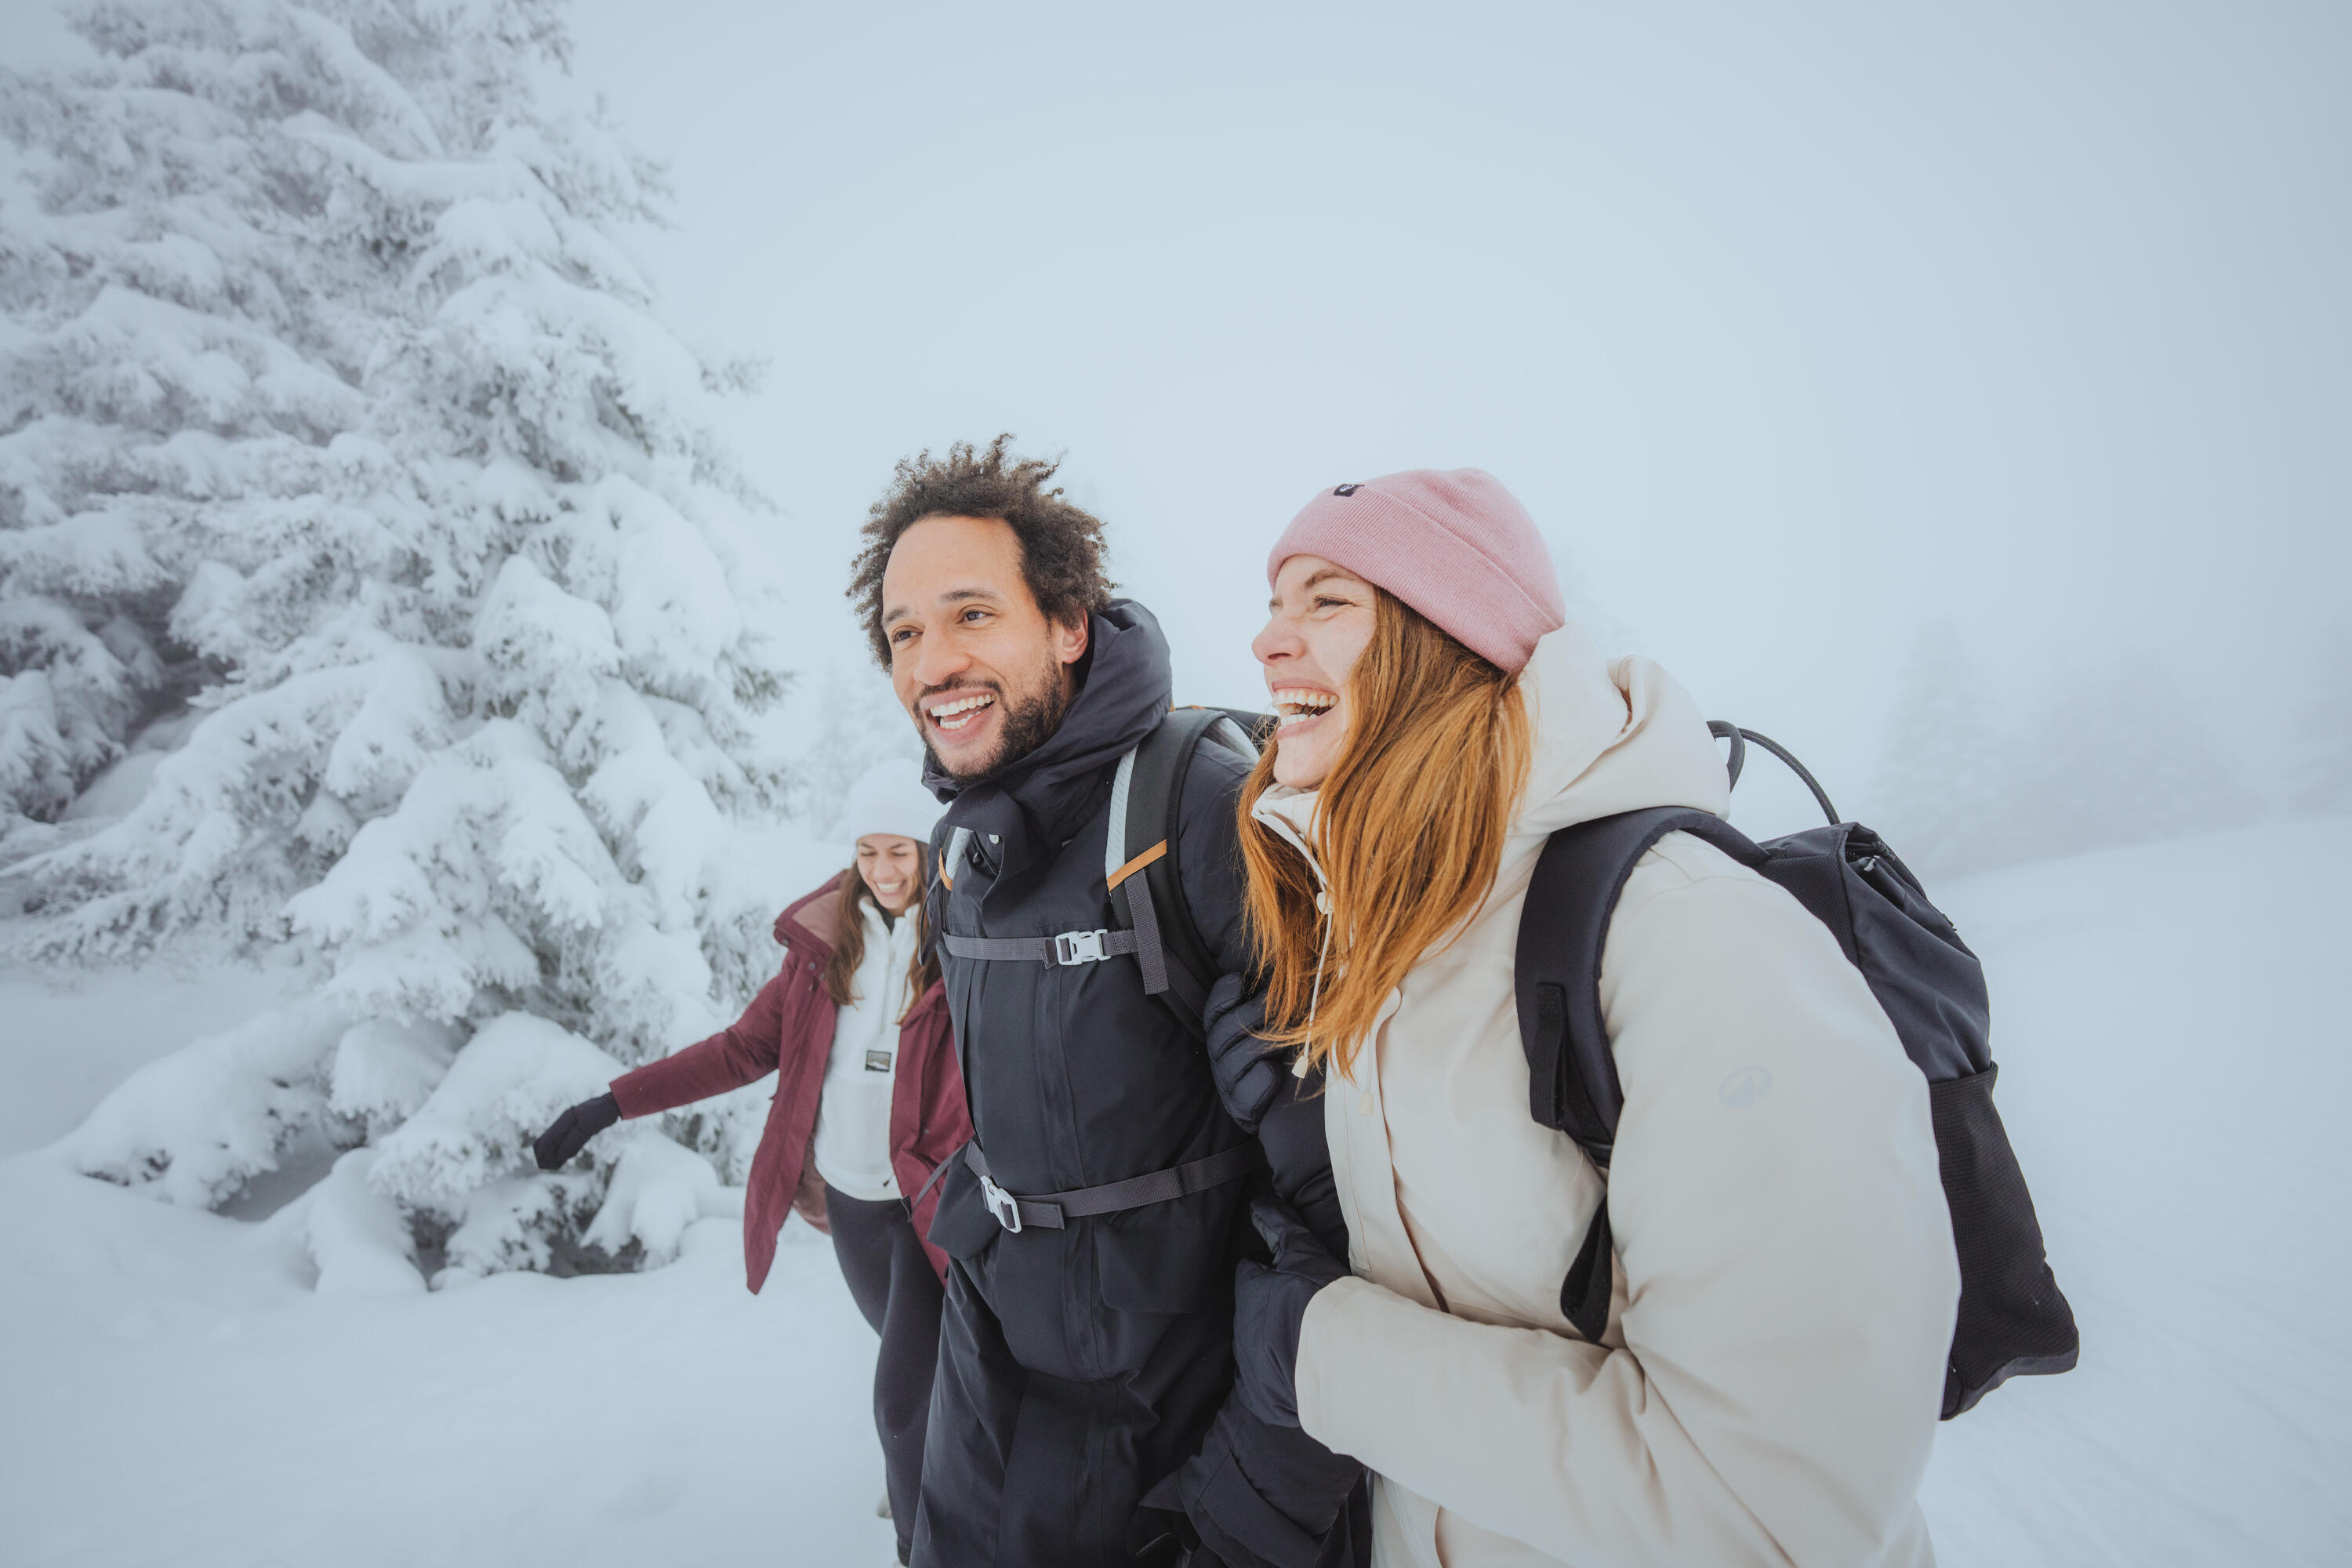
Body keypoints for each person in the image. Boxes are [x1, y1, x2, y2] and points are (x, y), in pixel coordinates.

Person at [1223, 469, 1962, 1567]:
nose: (1267, 642)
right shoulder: (1397, 934)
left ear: (1450, 640)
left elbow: (1772, 1514)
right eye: (1276, 604)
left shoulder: (1689, 936)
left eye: (1327, 602)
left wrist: (1319, 1355)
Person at [847, 437, 1363, 1568]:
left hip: (1180, 1461)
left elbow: (1348, 1230)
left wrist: (1233, 1519)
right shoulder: (959, 855)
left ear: (1068, 625)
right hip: (995, 1434)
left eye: (972, 615)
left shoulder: (1198, 808)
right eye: (904, 632)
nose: (932, 663)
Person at [532, 761, 971, 1567]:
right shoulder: (820, 954)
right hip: (852, 1207)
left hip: (929, 1206)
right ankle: (940, 1473)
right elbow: (739, 1050)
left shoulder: (964, 948)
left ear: (930, 847)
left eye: (900, 851)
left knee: (901, 1406)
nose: (883, 870)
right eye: (868, 852)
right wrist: (610, 1103)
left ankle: (925, 1544)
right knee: (920, 1374)